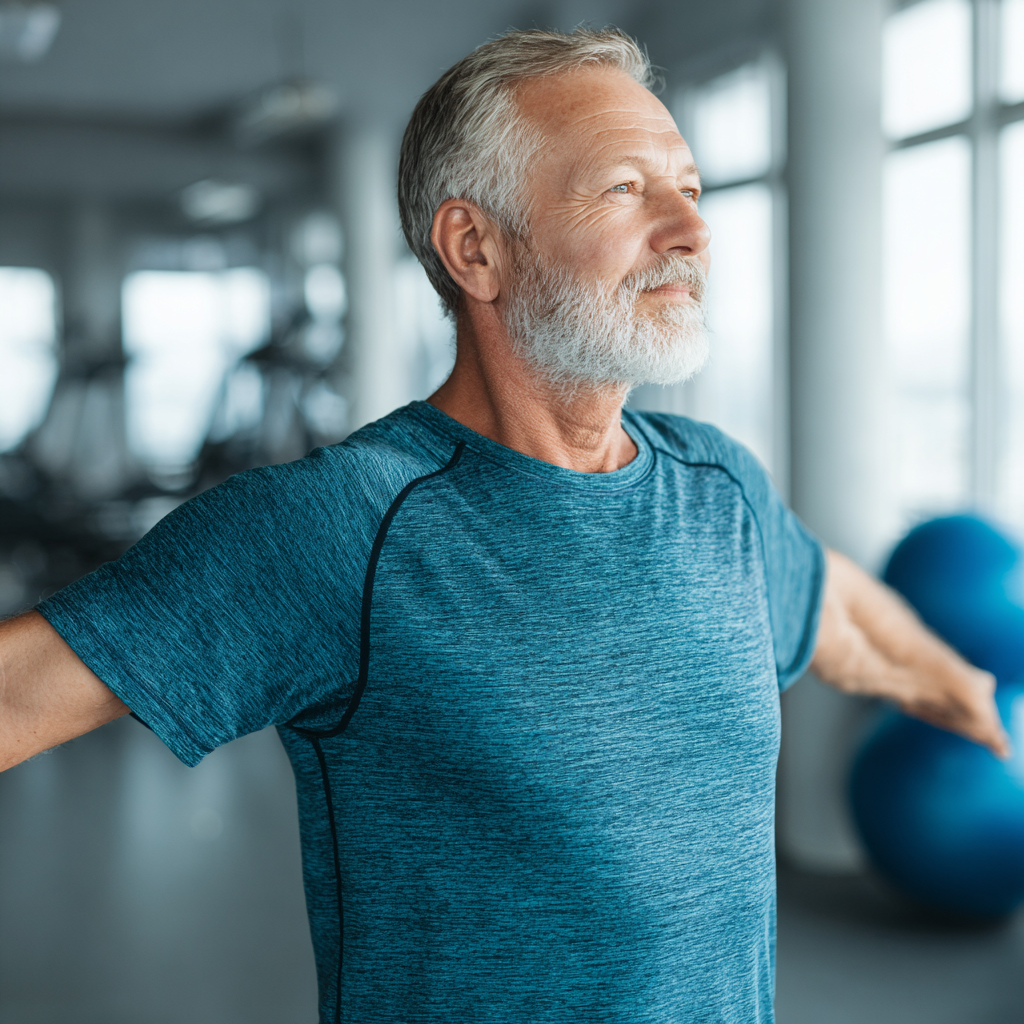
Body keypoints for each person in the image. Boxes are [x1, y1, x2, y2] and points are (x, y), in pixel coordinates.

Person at [0, 27, 1009, 1024]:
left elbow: (830, 603)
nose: (692, 231)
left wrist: (960, 690)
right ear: (474, 248)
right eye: (625, 187)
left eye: (691, 189)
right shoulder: (341, 526)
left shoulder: (719, 489)